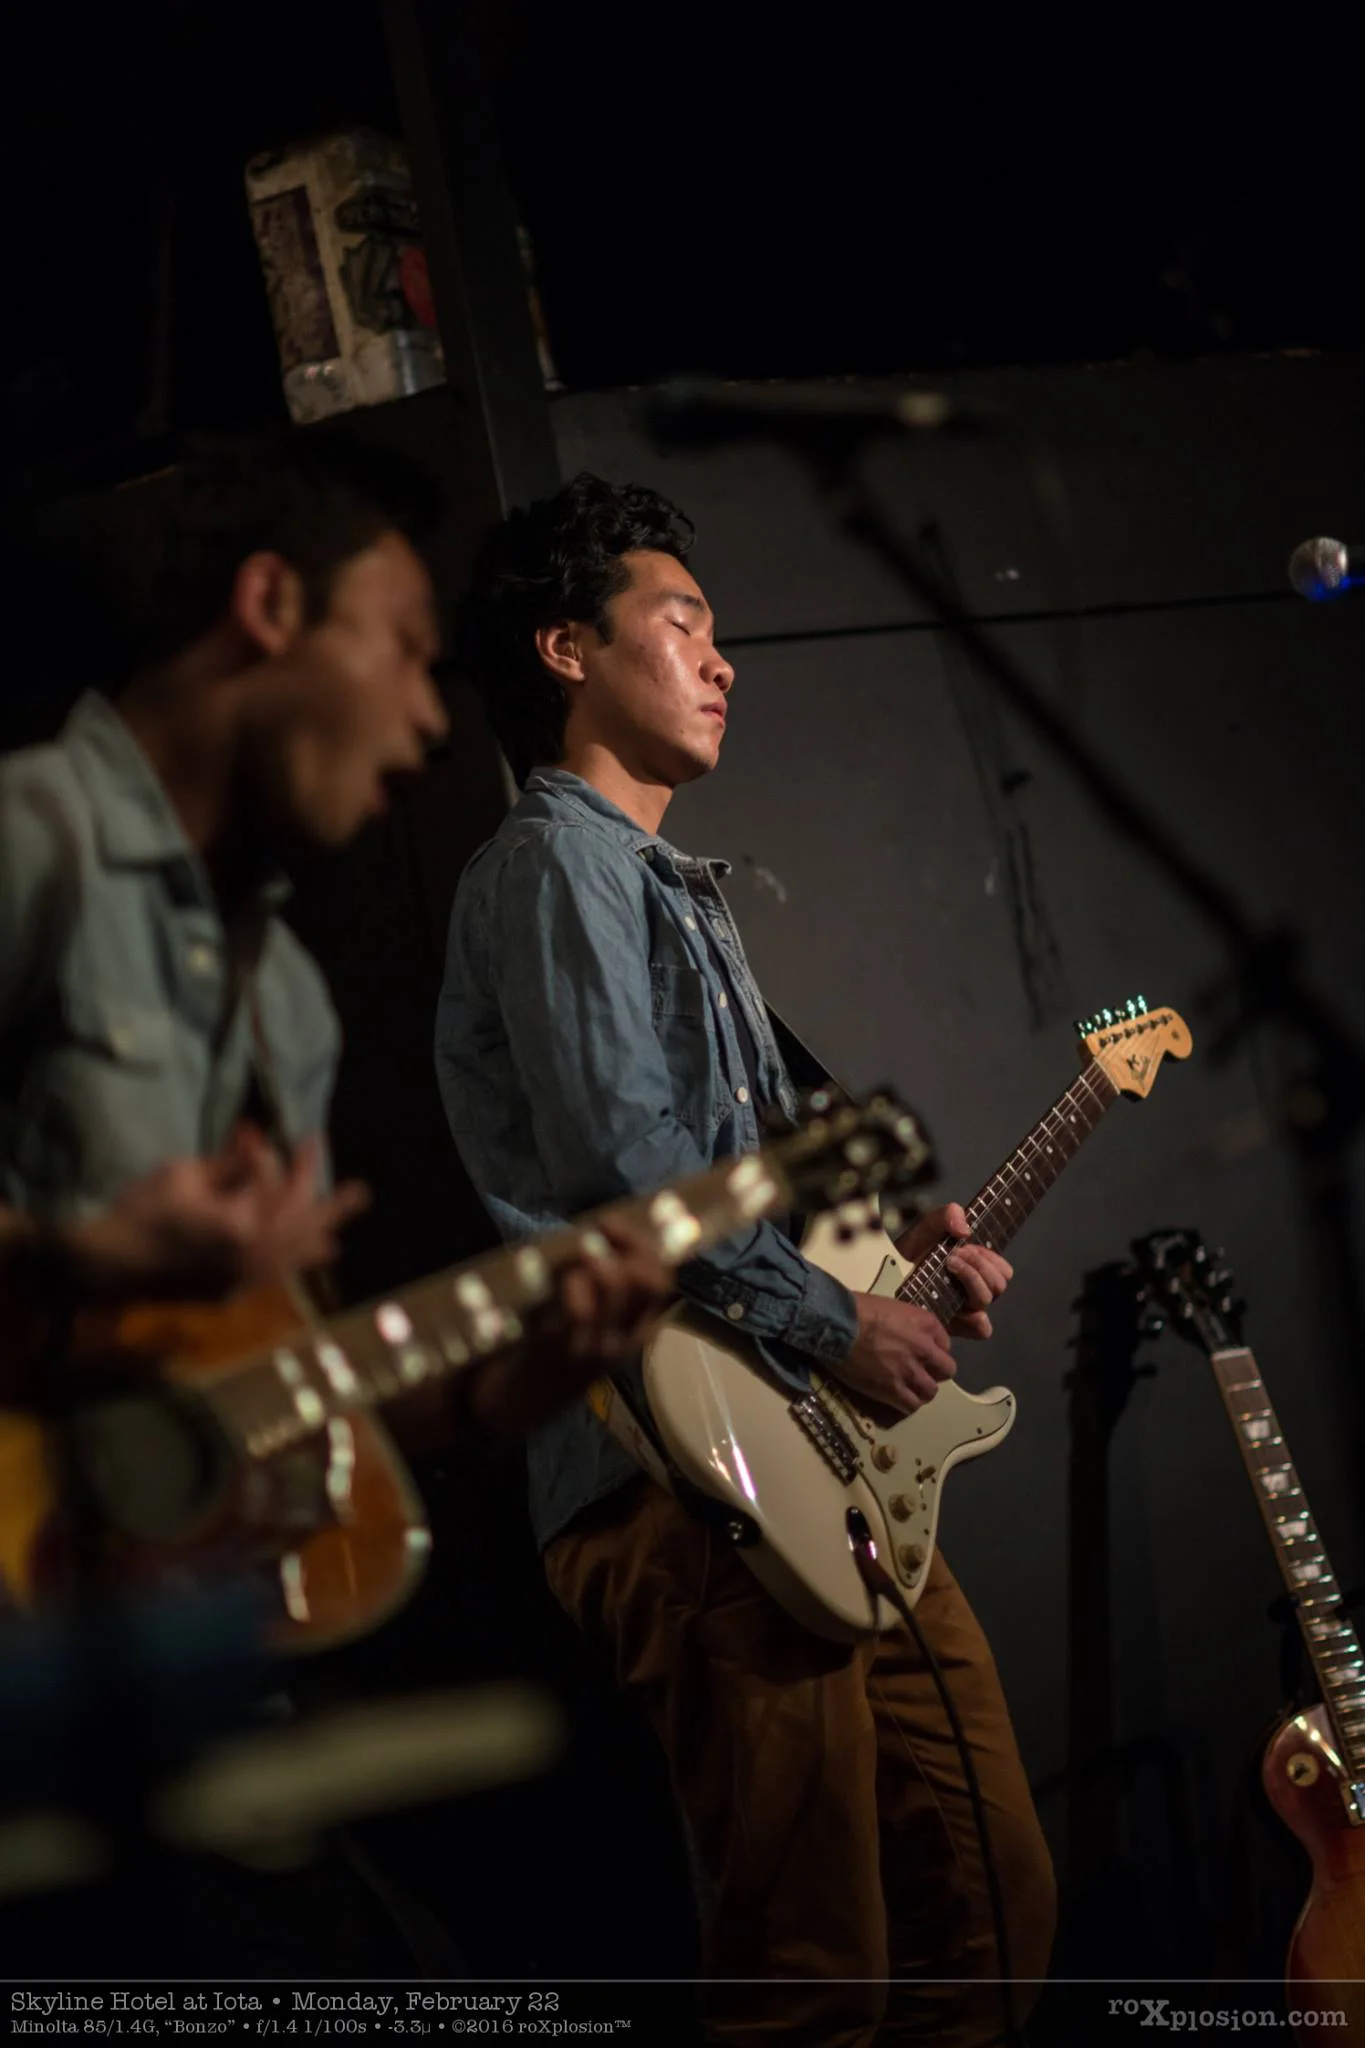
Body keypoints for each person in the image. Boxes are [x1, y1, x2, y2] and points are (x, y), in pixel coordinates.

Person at [435, 473, 1057, 2045]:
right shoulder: (558, 864)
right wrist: (836, 1323)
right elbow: (622, 1169)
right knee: (809, 1966)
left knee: (990, 1901)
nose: (723, 659)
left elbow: (736, 1186)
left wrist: (890, 1257)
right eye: (684, 621)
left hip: (813, 1462)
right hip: (684, 1481)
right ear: (568, 648)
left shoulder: (674, 895)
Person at [0, 435, 670, 1434]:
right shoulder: (29, 837)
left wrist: (507, 1387)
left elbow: (278, 1386)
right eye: (404, 649)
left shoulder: (285, 1003)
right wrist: (72, 1256)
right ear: (271, 604)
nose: (430, 719)